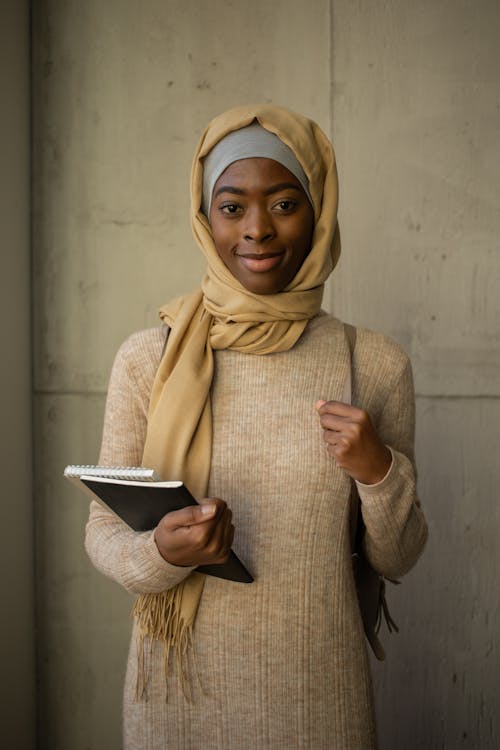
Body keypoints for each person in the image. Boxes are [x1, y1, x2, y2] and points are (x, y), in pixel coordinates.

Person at [85, 103, 428, 750]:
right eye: (232, 207)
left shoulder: (374, 365)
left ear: (318, 210)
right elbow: (103, 534)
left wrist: (379, 472)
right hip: (175, 700)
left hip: (318, 700)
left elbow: (400, 555)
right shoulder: (149, 360)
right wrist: (162, 552)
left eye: (284, 203)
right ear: (204, 217)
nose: (258, 231)